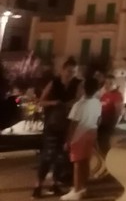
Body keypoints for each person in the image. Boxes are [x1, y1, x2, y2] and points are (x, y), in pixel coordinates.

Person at [33, 57, 82, 198]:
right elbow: (41, 102)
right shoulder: (54, 83)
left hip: (67, 125)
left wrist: (71, 104)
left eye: (73, 72)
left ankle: (55, 184)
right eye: (68, 71)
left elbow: (79, 100)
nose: (70, 74)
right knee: (47, 156)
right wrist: (54, 103)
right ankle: (38, 186)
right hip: (52, 124)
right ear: (62, 70)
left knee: (61, 156)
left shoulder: (77, 84)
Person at [62, 77, 102, 200]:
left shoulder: (79, 105)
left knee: (78, 164)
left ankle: (77, 190)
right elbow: (99, 119)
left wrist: (68, 140)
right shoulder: (97, 102)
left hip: (79, 136)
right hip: (92, 132)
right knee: (85, 162)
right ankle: (83, 187)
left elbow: (73, 125)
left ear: (84, 89)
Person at [98, 74, 124, 157]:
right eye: (106, 83)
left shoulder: (117, 95)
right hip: (101, 124)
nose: (107, 85)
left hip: (108, 125)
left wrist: (113, 125)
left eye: (110, 83)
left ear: (114, 84)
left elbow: (118, 111)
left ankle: (109, 163)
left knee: (105, 145)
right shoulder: (104, 95)